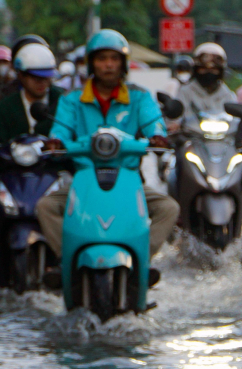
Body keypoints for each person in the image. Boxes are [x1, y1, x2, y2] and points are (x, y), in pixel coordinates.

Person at [34, 29, 179, 266]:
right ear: (92, 63)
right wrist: (56, 142)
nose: (108, 65)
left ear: (123, 63)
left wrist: (158, 138)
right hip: (84, 180)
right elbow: (59, 131)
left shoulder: (140, 97)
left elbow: (154, 124)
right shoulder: (72, 99)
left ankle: (141, 259)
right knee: (45, 207)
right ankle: (67, 260)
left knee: (168, 208)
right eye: (102, 59)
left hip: (129, 179)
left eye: (114, 59)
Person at [0, 43, 65, 266]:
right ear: (21, 76)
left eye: (46, 77)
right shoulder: (7, 105)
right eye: (35, 77)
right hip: (13, 174)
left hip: (54, 171)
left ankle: (68, 252)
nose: (42, 83)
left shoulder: (63, 101)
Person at [175, 42, 236, 127]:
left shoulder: (227, 94)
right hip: (192, 137)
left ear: (221, 71)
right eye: (203, 69)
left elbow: (235, 119)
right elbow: (177, 119)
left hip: (222, 137)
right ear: (196, 70)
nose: (209, 73)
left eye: (214, 69)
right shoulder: (185, 91)